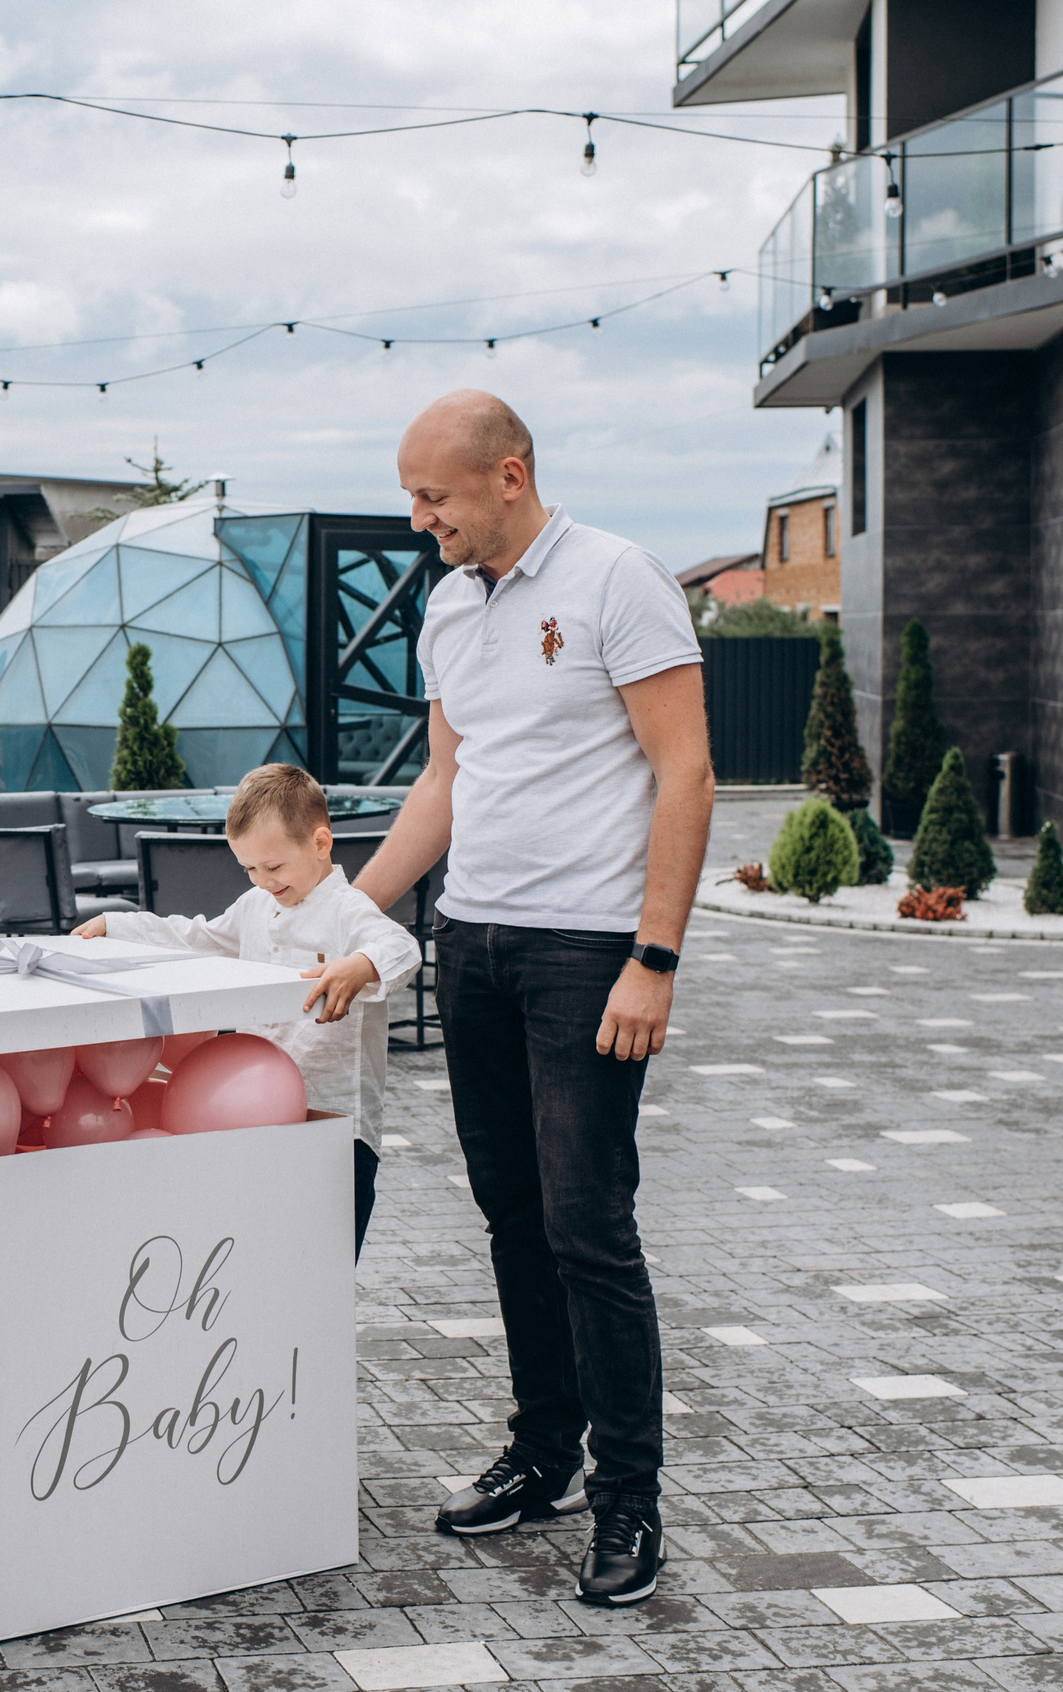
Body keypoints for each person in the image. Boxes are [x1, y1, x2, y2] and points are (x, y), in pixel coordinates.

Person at [354, 391, 713, 1607]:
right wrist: (353, 923)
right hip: (477, 947)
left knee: (588, 1227)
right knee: (512, 1215)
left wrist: (652, 957)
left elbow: (686, 770)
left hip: (586, 957)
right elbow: (444, 785)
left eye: (434, 498)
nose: (419, 522)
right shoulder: (449, 609)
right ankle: (545, 1455)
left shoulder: (618, 579)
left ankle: (629, 1498)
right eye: (412, 498)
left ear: (508, 476)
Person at [75, 763, 419, 1252]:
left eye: (273, 867)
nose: (262, 880)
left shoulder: (348, 909)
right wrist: (119, 924)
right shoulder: (257, 905)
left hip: (337, 1123)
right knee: (269, 1250)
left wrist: (361, 965)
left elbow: (403, 949)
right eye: (250, 869)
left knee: (328, 1258)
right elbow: (198, 937)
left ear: (321, 844)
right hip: (258, 1114)